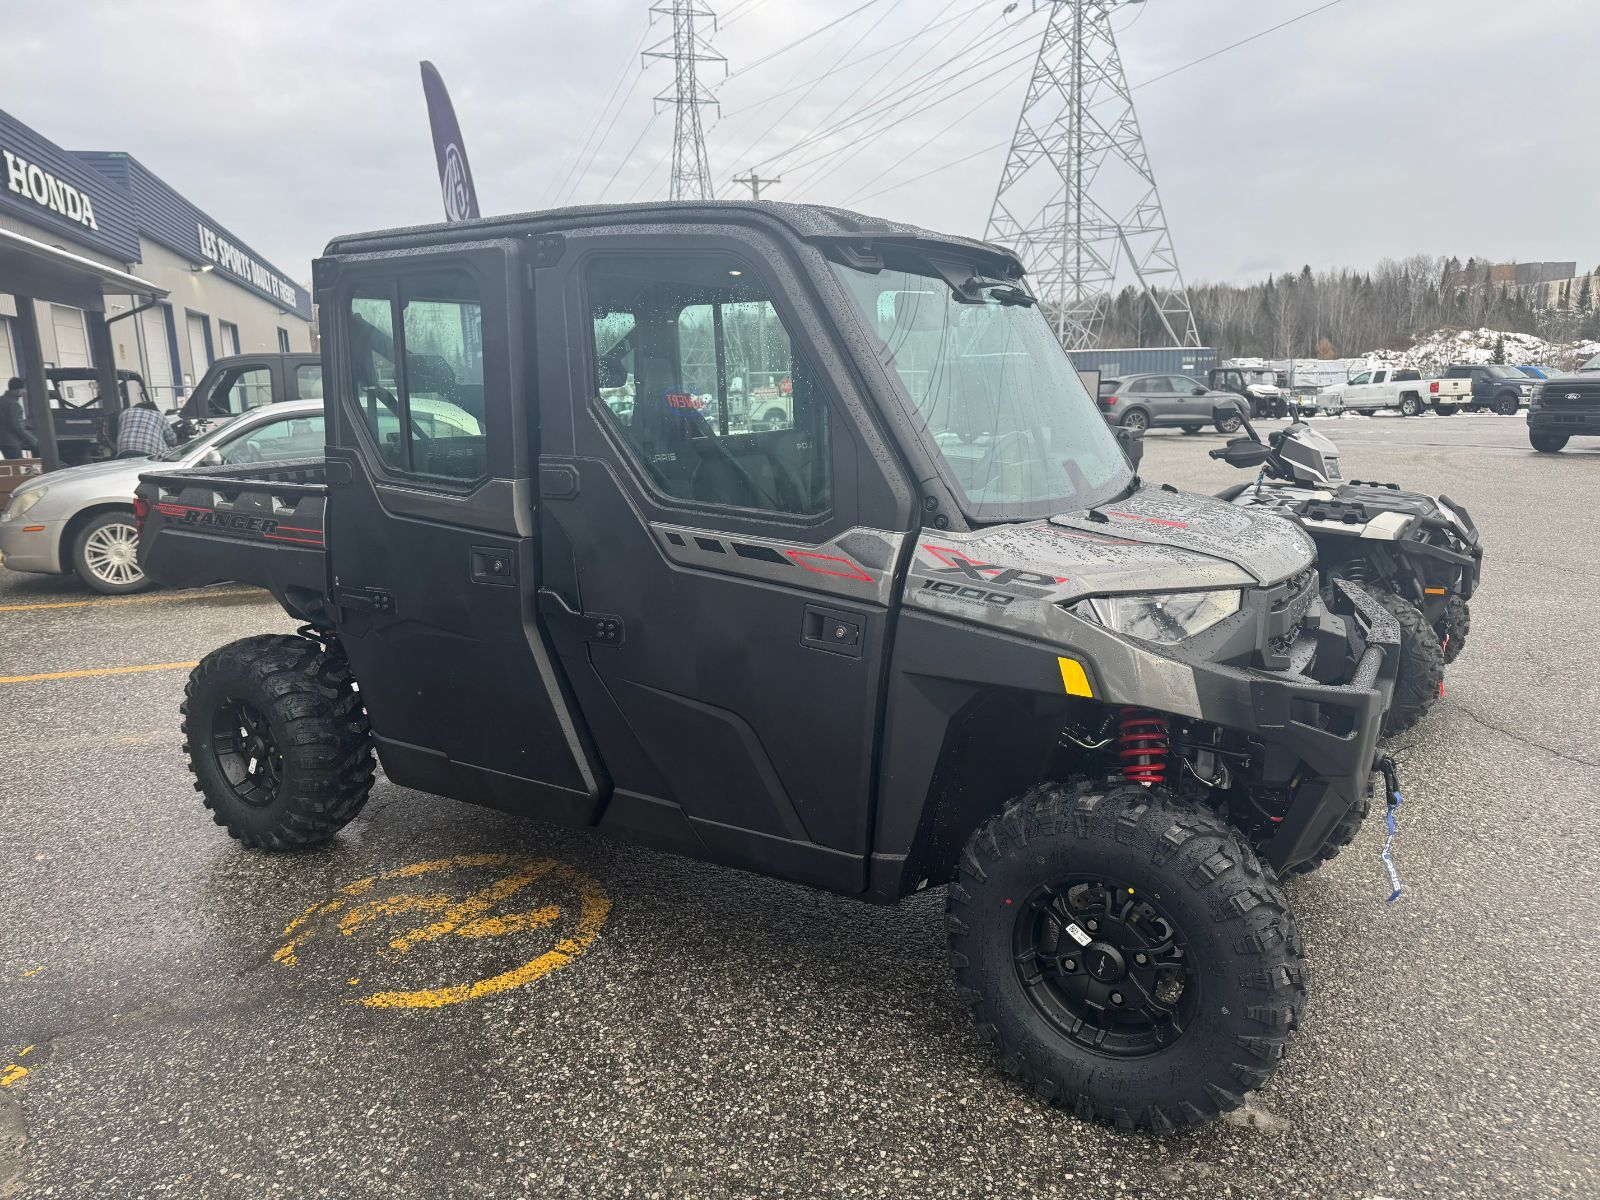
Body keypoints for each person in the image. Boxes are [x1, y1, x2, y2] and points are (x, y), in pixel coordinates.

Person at [116, 395, 177, 459]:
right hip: (149, 454)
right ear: (154, 410)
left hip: (124, 452)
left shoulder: (124, 413)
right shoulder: (159, 415)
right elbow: (172, 440)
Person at [0, 377, 39, 460]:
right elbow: (17, 426)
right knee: (20, 467)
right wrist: (33, 439)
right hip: (12, 442)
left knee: (13, 465)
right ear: (15, 390)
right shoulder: (13, 404)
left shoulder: (1, 400)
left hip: (3, 441)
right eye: (22, 388)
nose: (24, 391)